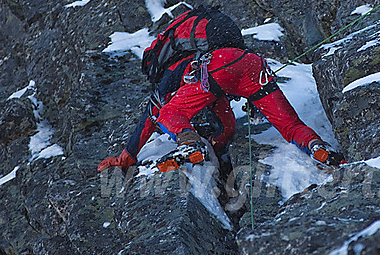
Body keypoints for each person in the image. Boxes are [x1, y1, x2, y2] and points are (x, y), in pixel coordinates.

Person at [97, 10, 343, 173]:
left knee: (168, 113)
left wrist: (126, 157)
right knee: (288, 125)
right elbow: (223, 119)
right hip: (252, 63)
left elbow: (153, 112)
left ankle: (190, 145)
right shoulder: (200, 51)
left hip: (219, 67)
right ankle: (318, 147)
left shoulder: (174, 69)